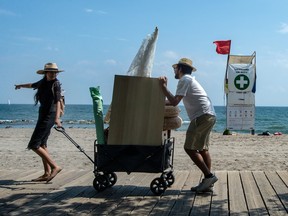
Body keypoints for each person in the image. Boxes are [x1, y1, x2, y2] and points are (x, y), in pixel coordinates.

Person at [159, 58, 217, 192]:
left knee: (189, 148)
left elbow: (174, 102)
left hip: (201, 116)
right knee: (203, 149)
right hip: (209, 115)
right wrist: (160, 100)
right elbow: (173, 100)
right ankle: (208, 183)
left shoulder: (184, 79)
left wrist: (163, 87)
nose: (174, 70)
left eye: (175, 68)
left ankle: (209, 176)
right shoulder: (190, 80)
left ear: (180, 69)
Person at [15, 62, 64, 183]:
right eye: (51, 72)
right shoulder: (42, 82)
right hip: (43, 114)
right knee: (42, 144)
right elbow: (32, 84)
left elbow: (58, 102)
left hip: (50, 115)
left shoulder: (56, 83)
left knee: (34, 144)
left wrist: (57, 118)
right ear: (46, 73)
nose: (53, 74)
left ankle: (54, 167)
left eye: (55, 72)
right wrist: (20, 85)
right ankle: (47, 173)